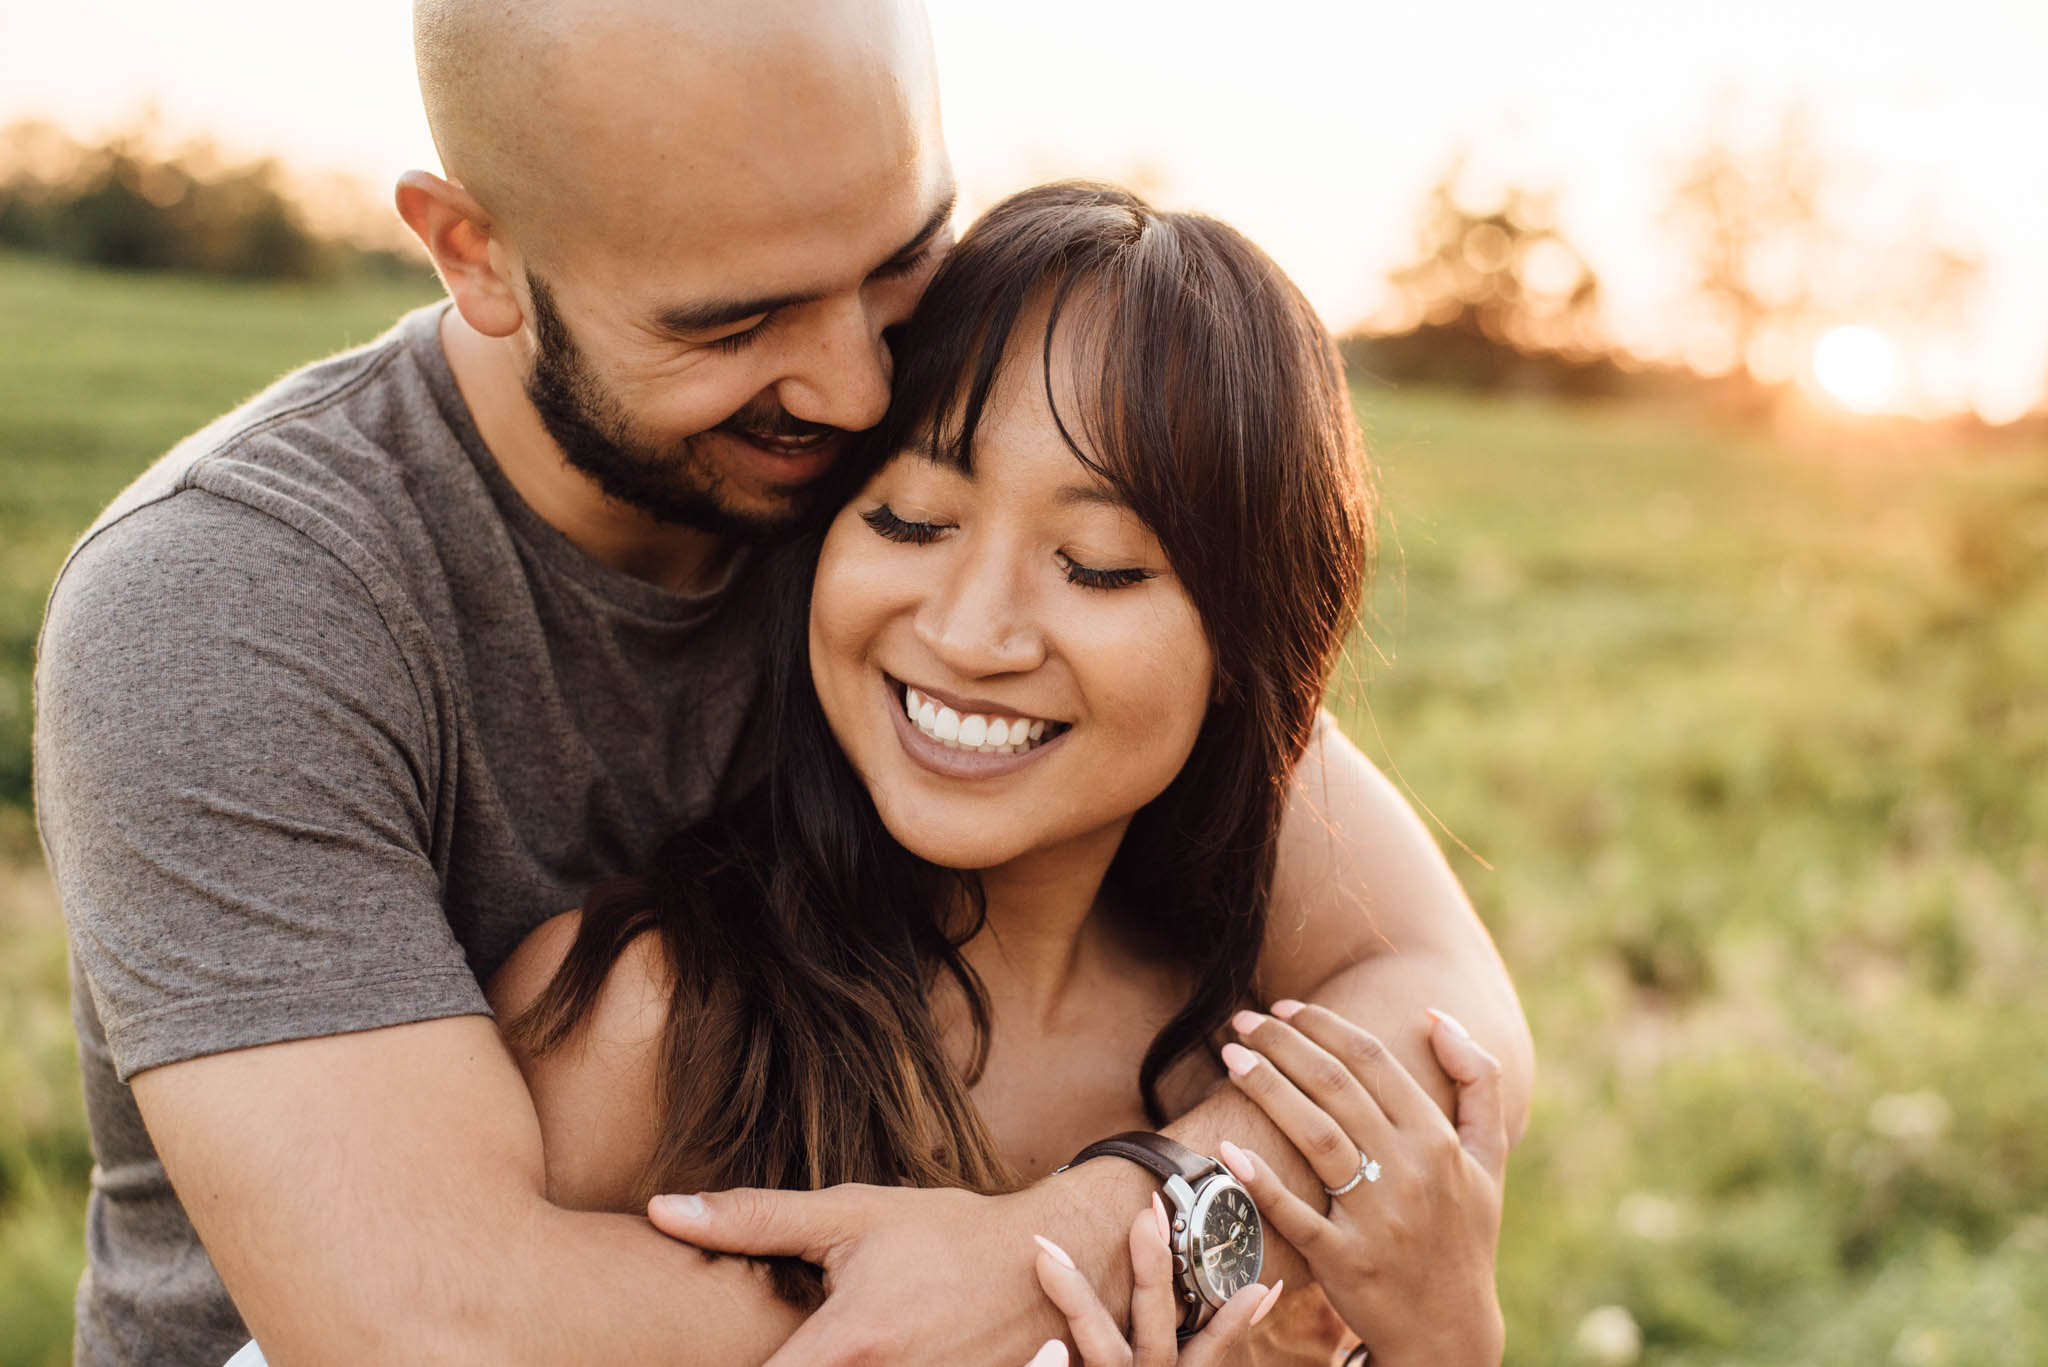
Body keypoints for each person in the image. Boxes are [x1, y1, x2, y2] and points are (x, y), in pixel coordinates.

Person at [32, 1, 1531, 1363]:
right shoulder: (231, 602)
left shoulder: (889, 465)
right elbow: (435, 1326)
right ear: (474, 253)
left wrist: (1059, 1239)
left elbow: (1438, 1001)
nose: (858, 387)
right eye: (733, 321)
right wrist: (1070, 1305)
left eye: (896, 259)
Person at [481, 182, 1510, 1367]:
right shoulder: (652, 1025)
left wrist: (1445, 1341)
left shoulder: (1252, 1062)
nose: (973, 633)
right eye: (912, 521)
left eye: (1098, 564)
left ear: (1248, 647)